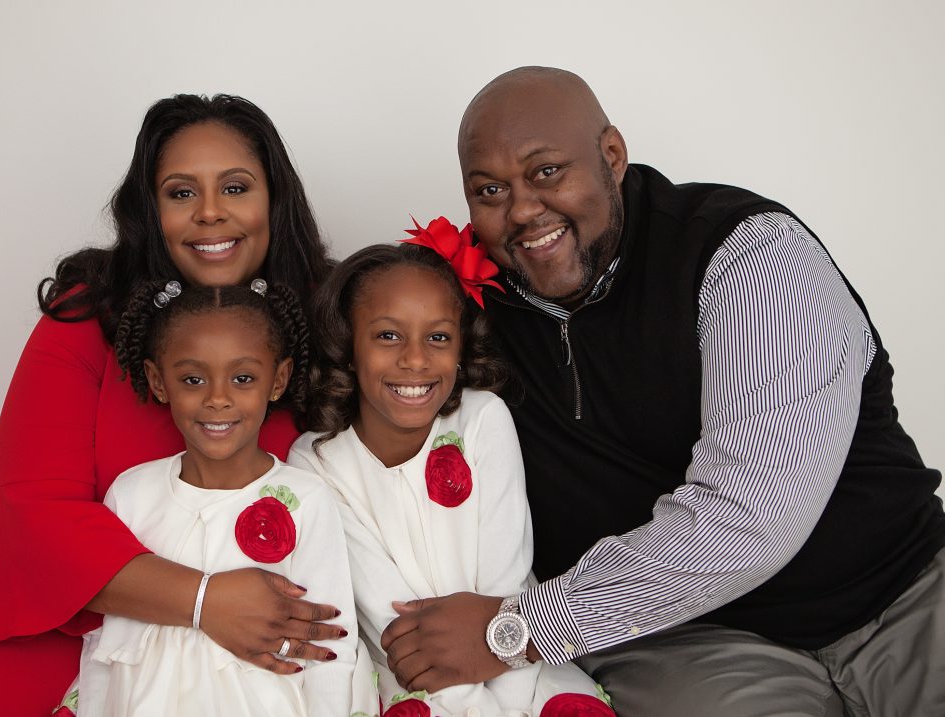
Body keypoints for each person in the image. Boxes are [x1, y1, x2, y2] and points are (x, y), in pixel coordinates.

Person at [380, 67, 945, 716]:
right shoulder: (463, 308)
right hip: (682, 643)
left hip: (901, 594)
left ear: (612, 156)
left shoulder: (747, 254)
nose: (523, 210)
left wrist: (517, 628)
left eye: (545, 172)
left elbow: (750, 519)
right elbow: (351, 351)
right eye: (489, 190)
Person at [0, 94, 342, 715]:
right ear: (152, 211)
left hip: (259, 671)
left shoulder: (333, 321)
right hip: (52, 630)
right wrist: (204, 602)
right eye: (180, 193)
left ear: (275, 202)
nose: (209, 214)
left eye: (235, 187)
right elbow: (35, 508)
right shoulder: (91, 312)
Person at [289, 229, 616, 717]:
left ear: (462, 346)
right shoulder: (316, 462)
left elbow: (505, 578)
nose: (416, 359)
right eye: (388, 335)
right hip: (410, 673)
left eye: (438, 337)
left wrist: (507, 693)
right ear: (347, 345)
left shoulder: (483, 419)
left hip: (516, 654)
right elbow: (386, 615)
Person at [59, 279, 377, 716]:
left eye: (243, 378)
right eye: (193, 379)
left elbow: (329, 640)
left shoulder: (306, 499)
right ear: (158, 380)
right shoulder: (131, 495)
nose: (218, 399)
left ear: (278, 379)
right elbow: (106, 639)